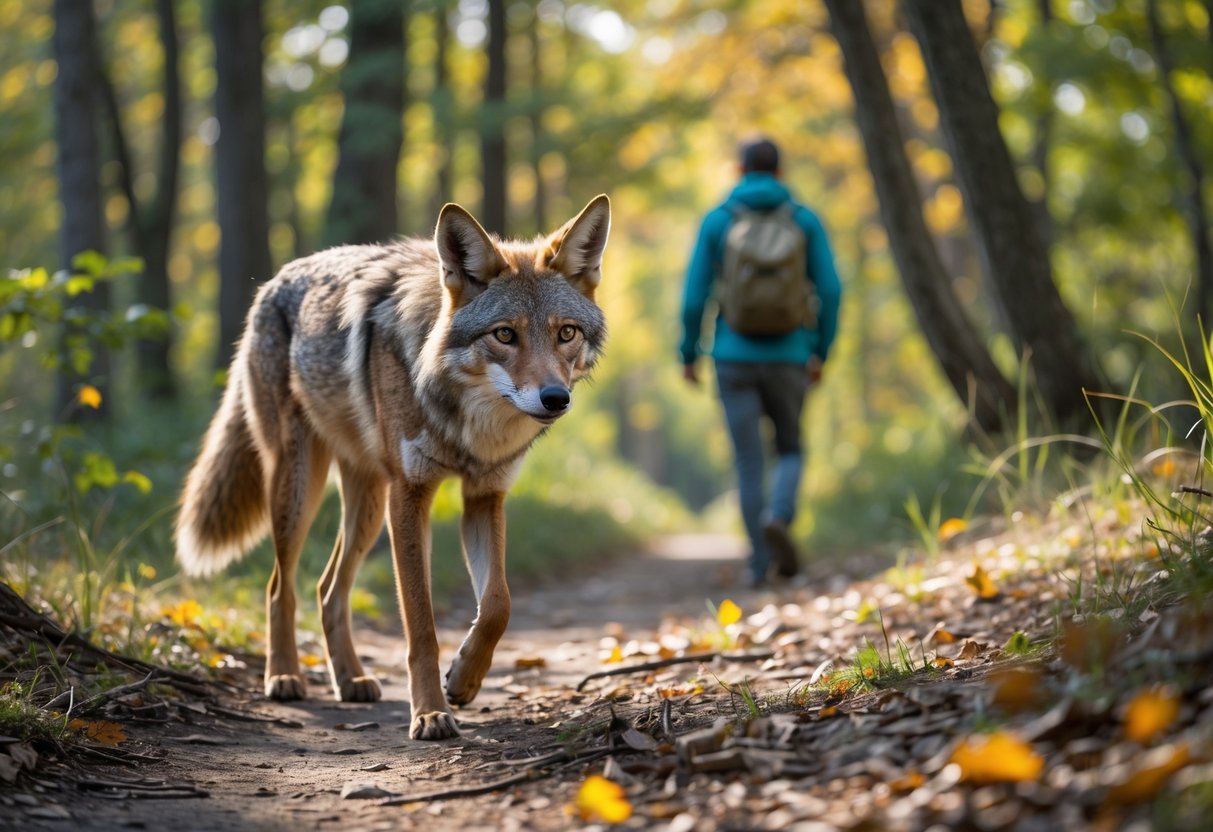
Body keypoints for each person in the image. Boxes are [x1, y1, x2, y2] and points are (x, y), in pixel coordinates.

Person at [679, 137, 842, 588]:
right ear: (780, 172)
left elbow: (694, 296)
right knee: (789, 447)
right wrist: (819, 350)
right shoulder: (804, 220)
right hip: (791, 356)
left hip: (732, 357)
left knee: (748, 462)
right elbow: (830, 291)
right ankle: (780, 515)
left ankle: (758, 563)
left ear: (739, 169)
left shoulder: (718, 220)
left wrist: (689, 354)